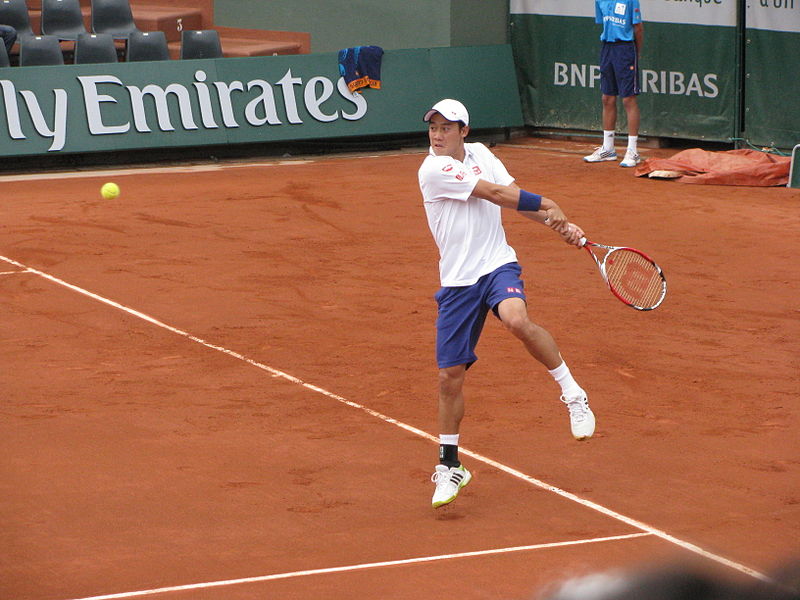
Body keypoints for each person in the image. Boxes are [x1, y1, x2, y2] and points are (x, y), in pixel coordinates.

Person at [418, 99, 596, 509]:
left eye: (447, 128)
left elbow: (510, 198)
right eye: (434, 128)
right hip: (458, 282)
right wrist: (551, 204)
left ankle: (572, 393)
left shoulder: (482, 154)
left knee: (516, 319)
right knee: (449, 377)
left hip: (497, 264)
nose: (438, 135)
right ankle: (450, 466)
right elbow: (496, 192)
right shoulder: (433, 169)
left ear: (465, 131)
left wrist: (560, 226)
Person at [583, 0, 644, 168]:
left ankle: (633, 151)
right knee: (607, 98)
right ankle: (608, 149)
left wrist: (636, 53)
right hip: (607, 49)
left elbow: (638, 28)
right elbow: (604, 23)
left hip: (626, 49)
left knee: (628, 99)